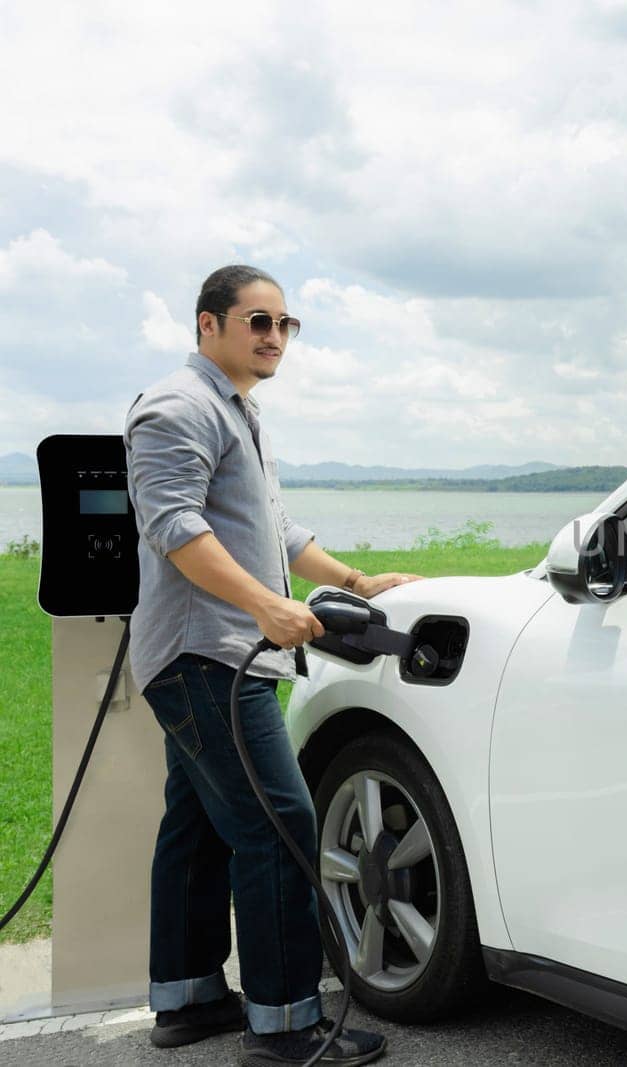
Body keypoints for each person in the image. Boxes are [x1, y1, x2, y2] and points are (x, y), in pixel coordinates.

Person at [126, 265, 417, 1064]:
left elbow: (276, 528)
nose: (274, 336)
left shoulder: (237, 413)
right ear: (206, 324)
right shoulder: (178, 407)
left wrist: (356, 580)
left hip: (213, 656)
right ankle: (286, 1023)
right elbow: (173, 524)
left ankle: (187, 1001)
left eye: (286, 324)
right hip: (206, 656)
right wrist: (265, 606)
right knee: (277, 823)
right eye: (258, 319)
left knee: (198, 826)